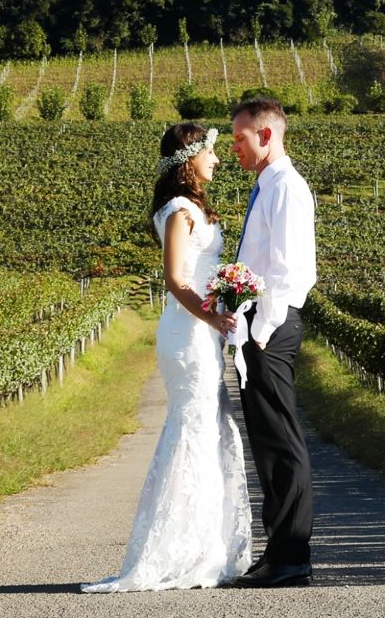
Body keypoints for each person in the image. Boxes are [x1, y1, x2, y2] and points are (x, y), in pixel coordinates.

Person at [81, 123, 254, 592]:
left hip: (200, 331)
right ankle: (181, 550)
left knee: (205, 426)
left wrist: (224, 301)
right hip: (187, 333)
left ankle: (204, 547)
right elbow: (176, 279)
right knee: (193, 427)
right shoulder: (179, 210)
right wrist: (214, 318)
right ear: (188, 159)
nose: (217, 160)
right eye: (211, 153)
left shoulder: (192, 207)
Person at [220, 96, 317, 589]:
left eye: (238, 138)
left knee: (282, 441)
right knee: (268, 441)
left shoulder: (287, 189)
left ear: (265, 135)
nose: (233, 147)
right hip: (261, 325)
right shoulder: (269, 185)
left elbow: (286, 270)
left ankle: (292, 559)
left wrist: (258, 333)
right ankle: (278, 550)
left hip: (271, 327)